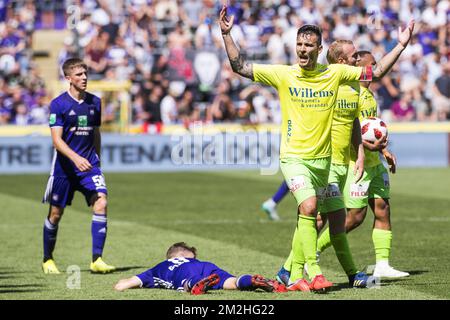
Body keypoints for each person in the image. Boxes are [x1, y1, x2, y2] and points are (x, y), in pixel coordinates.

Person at [219, 4, 414, 291]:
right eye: (298, 43)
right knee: (309, 207)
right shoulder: (284, 74)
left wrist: (400, 44)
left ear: (319, 48)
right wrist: (226, 34)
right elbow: (240, 67)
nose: (302, 49)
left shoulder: (334, 74)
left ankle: (343, 274)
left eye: (308, 45)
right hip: (294, 158)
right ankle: (312, 272)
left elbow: (378, 71)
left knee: (337, 219)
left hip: (323, 163)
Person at [277, 40, 373, 289]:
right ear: (341, 61)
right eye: (354, 56)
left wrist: (360, 151)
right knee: (318, 218)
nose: (357, 59)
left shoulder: (351, 87)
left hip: (342, 163)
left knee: (334, 220)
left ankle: (289, 270)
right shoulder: (328, 84)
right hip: (325, 162)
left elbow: (352, 122)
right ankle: (295, 269)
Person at [315, 51, 410, 278]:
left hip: (375, 164)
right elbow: (350, 132)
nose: (375, 68)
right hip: (355, 164)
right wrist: (367, 148)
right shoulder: (349, 93)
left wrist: (383, 150)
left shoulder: (369, 95)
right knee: (355, 217)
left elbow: (370, 131)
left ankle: (383, 265)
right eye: (372, 64)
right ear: (360, 65)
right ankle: (316, 248)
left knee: (383, 208)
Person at [41, 58, 115, 274]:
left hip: (89, 166)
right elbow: (57, 141)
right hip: (64, 169)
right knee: (55, 214)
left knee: (101, 202)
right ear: (68, 78)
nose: (84, 78)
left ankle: (97, 259)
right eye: (79, 75)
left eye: (85, 74)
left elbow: (96, 132)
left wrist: (96, 158)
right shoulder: (58, 104)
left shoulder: (95, 102)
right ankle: (48, 259)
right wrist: (75, 158)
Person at [114, 242, 287, 294]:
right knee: (230, 282)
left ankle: (196, 284)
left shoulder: (160, 267)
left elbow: (123, 285)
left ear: (172, 256)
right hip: (208, 267)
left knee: (186, 281)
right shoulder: (199, 262)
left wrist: (124, 282)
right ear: (187, 255)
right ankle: (250, 280)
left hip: (185, 274)